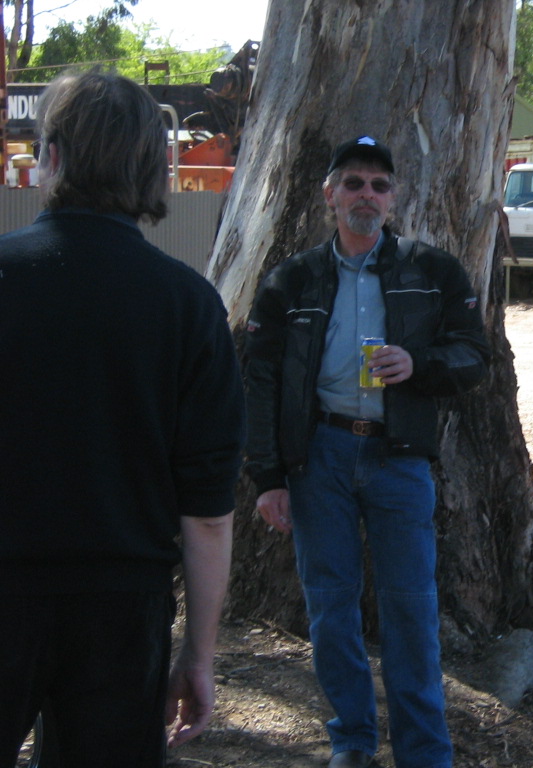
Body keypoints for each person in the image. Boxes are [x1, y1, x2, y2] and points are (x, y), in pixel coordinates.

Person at [0, 73, 245, 765]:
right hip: (120, 612)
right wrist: (198, 654)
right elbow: (207, 513)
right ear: (154, 170)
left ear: (51, 157)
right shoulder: (189, 306)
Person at [243, 135, 490, 768]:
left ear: (394, 198)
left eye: (380, 186)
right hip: (319, 456)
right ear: (329, 195)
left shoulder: (432, 271)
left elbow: (474, 355)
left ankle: (424, 753)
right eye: (353, 183)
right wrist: (268, 476)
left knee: (411, 611)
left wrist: (419, 363)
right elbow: (260, 381)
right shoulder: (293, 279)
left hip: (398, 458)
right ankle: (351, 741)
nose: (367, 195)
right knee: (331, 609)